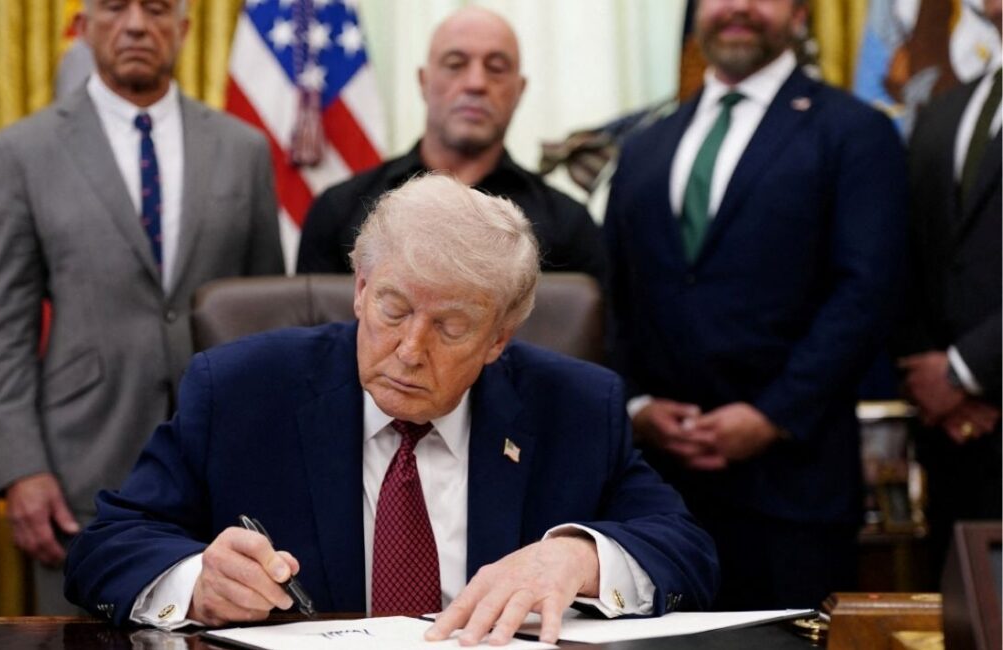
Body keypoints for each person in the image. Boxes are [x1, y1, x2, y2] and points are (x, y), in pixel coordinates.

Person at [65, 174, 717, 645]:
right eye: (394, 309)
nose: (409, 350)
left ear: (498, 340)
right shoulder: (240, 390)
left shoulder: (576, 406)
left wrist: (577, 558)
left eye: (452, 328)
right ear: (359, 289)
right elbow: (107, 547)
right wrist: (196, 580)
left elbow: (689, 553)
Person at [0, 0, 283, 614]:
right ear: (83, 25)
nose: (137, 24)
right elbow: (2, 331)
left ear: (185, 29)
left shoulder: (244, 149)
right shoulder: (22, 151)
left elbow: (265, 319)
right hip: (81, 471)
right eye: (115, 7)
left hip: (226, 467)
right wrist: (22, 471)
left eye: (158, 8)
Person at [603, 0, 907, 609]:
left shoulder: (854, 131)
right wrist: (635, 404)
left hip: (794, 488)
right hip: (658, 495)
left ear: (799, 14)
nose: (737, 8)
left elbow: (867, 292)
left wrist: (772, 416)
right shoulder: (644, 146)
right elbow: (614, 294)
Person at [295, 7, 608, 288]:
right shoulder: (340, 210)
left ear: (519, 89)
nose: (476, 83)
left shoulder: (569, 225)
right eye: (455, 64)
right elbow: (317, 343)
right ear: (423, 81)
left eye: (496, 68)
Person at [897, 0, 1001, 583]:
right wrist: (930, 376)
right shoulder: (946, 110)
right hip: (954, 444)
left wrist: (965, 371)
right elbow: (910, 257)